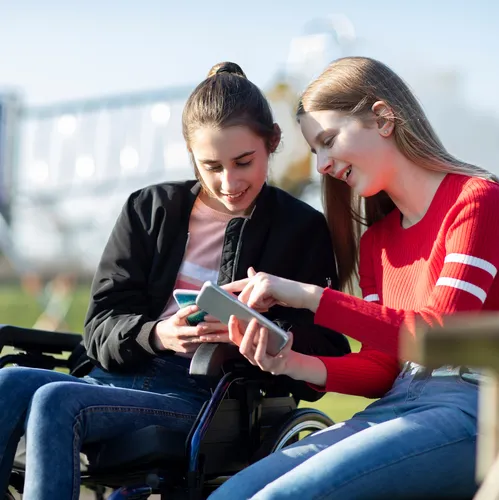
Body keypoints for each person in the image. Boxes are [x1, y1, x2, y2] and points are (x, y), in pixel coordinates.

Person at [0, 62, 350, 500]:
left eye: (244, 162)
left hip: (207, 397)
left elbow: (330, 349)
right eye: (211, 166)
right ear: (191, 156)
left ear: (273, 141)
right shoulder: (149, 210)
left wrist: (264, 336)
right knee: (9, 382)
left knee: (55, 401)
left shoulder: (301, 228)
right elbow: (99, 327)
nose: (229, 182)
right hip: (113, 379)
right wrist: (158, 334)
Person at [209, 56, 499, 499]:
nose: (322, 164)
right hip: (399, 404)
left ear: (383, 119)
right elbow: (384, 369)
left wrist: (311, 297)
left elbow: (440, 338)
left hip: (472, 409)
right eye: (315, 151)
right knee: (229, 495)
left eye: (328, 141)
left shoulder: (477, 201)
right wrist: (288, 361)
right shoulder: (376, 242)